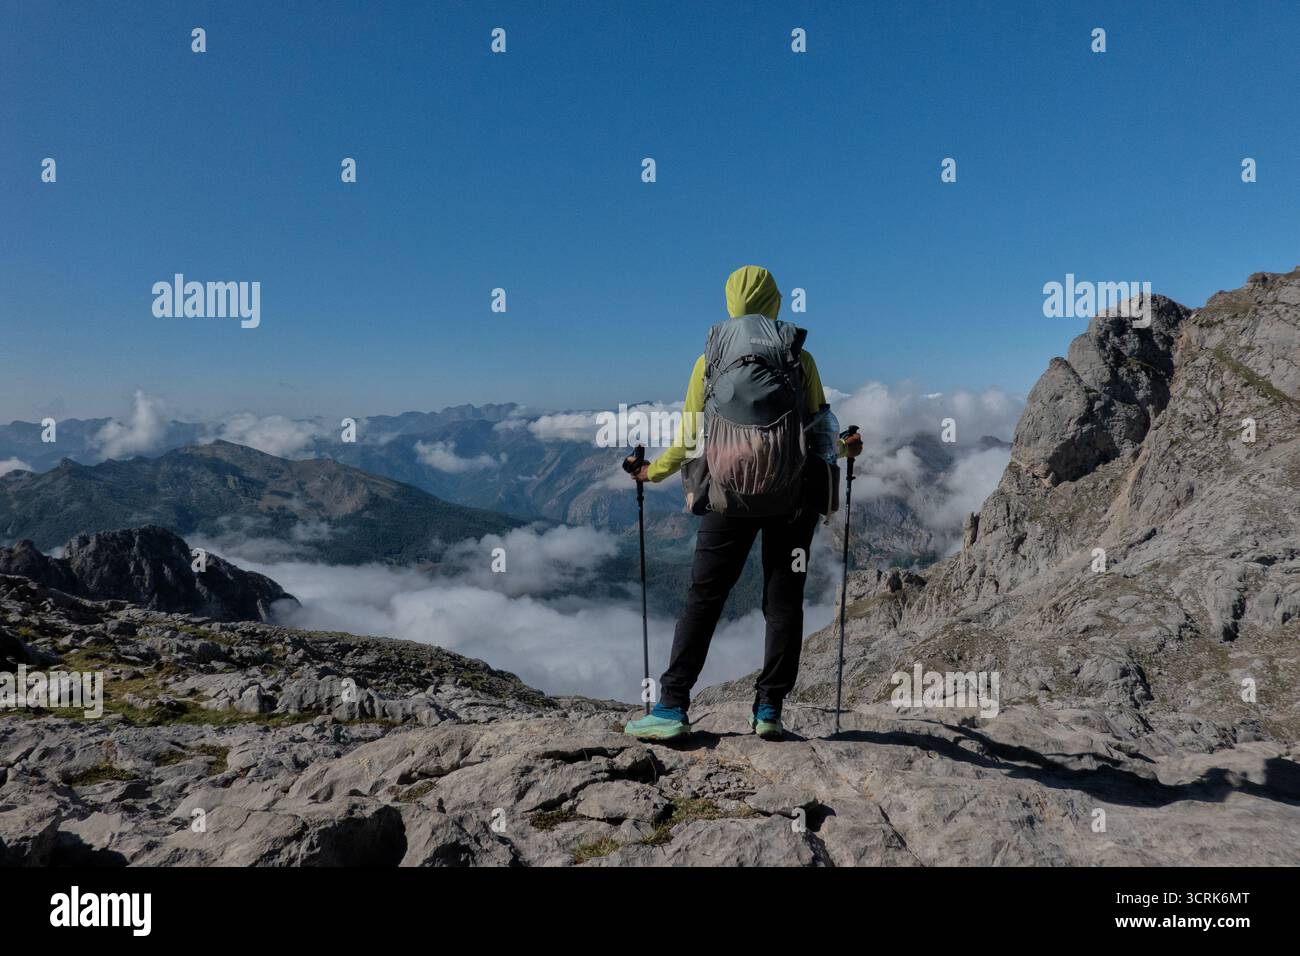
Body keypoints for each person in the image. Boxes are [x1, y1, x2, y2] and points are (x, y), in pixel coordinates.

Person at [624, 265, 862, 742]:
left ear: (731, 302)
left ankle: (671, 706)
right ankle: (769, 708)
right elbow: (819, 431)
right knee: (783, 601)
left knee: (704, 599)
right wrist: (846, 450)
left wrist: (652, 472)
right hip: (793, 500)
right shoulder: (799, 356)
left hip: (725, 500)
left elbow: (690, 438)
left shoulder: (708, 359)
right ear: (775, 302)